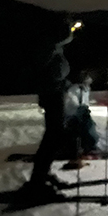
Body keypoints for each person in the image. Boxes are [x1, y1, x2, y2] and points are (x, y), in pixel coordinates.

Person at [23, 20, 83, 194]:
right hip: (51, 95)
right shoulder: (47, 48)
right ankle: (37, 181)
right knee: (53, 137)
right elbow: (50, 73)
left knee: (53, 136)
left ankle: (42, 175)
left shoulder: (52, 48)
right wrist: (61, 82)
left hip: (55, 93)